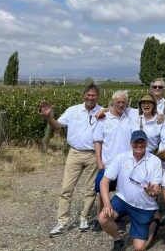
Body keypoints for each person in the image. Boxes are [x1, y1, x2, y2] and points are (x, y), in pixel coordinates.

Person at [41, 83, 102, 236]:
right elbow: (57, 126)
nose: (90, 97)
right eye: (88, 95)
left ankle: (84, 218)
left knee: (90, 190)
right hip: (74, 153)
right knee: (66, 189)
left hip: (94, 154)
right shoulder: (72, 110)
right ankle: (62, 221)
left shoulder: (102, 112)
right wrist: (49, 116)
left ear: (97, 97)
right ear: (83, 96)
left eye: (93, 95)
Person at [98, 130, 162, 251]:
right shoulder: (121, 157)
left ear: (147, 143)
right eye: (136, 142)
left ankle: (155, 222)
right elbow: (104, 182)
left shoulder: (155, 161)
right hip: (123, 199)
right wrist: (107, 204)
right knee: (103, 217)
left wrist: (152, 192)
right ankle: (118, 239)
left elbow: (156, 189)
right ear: (131, 143)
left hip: (144, 205)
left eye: (142, 142)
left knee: (139, 248)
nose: (139, 145)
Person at [93, 90, 140, 230]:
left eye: (123, 102)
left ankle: (117, 216)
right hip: (108, 164)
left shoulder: (130, 118)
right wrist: (99, 161)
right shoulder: (103, 119)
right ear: (113, 102)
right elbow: (97, 141)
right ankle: (100, 218)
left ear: (127, 103)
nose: (120, 105)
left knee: (123, 192)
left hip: (126, 164)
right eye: (118, 102)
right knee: (102, 193)